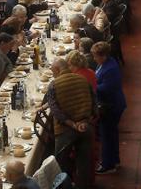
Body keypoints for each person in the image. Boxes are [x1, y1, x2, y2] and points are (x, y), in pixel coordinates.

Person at [46, 58, 96, 188]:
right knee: (84, 163)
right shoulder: (82, 79)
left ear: (57, 70)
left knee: (61, 163)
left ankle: (65, 186)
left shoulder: (53, 85)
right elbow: (93, 102)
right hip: (85, 128)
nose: (53, 74)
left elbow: (55, 111)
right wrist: (86, 121)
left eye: (53, 72)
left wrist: (72, 124)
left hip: (65, 131)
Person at [92, 42, 126, 174]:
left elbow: (106, 88)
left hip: (111, 105)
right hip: (111, 104)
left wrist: (91, 86)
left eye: (96, 56)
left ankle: (108, 165)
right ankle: (114, 160)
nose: (94, 59)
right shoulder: (106, 64)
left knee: (107, 135)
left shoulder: (110, 69)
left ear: (104, 56)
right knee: (111, 134)